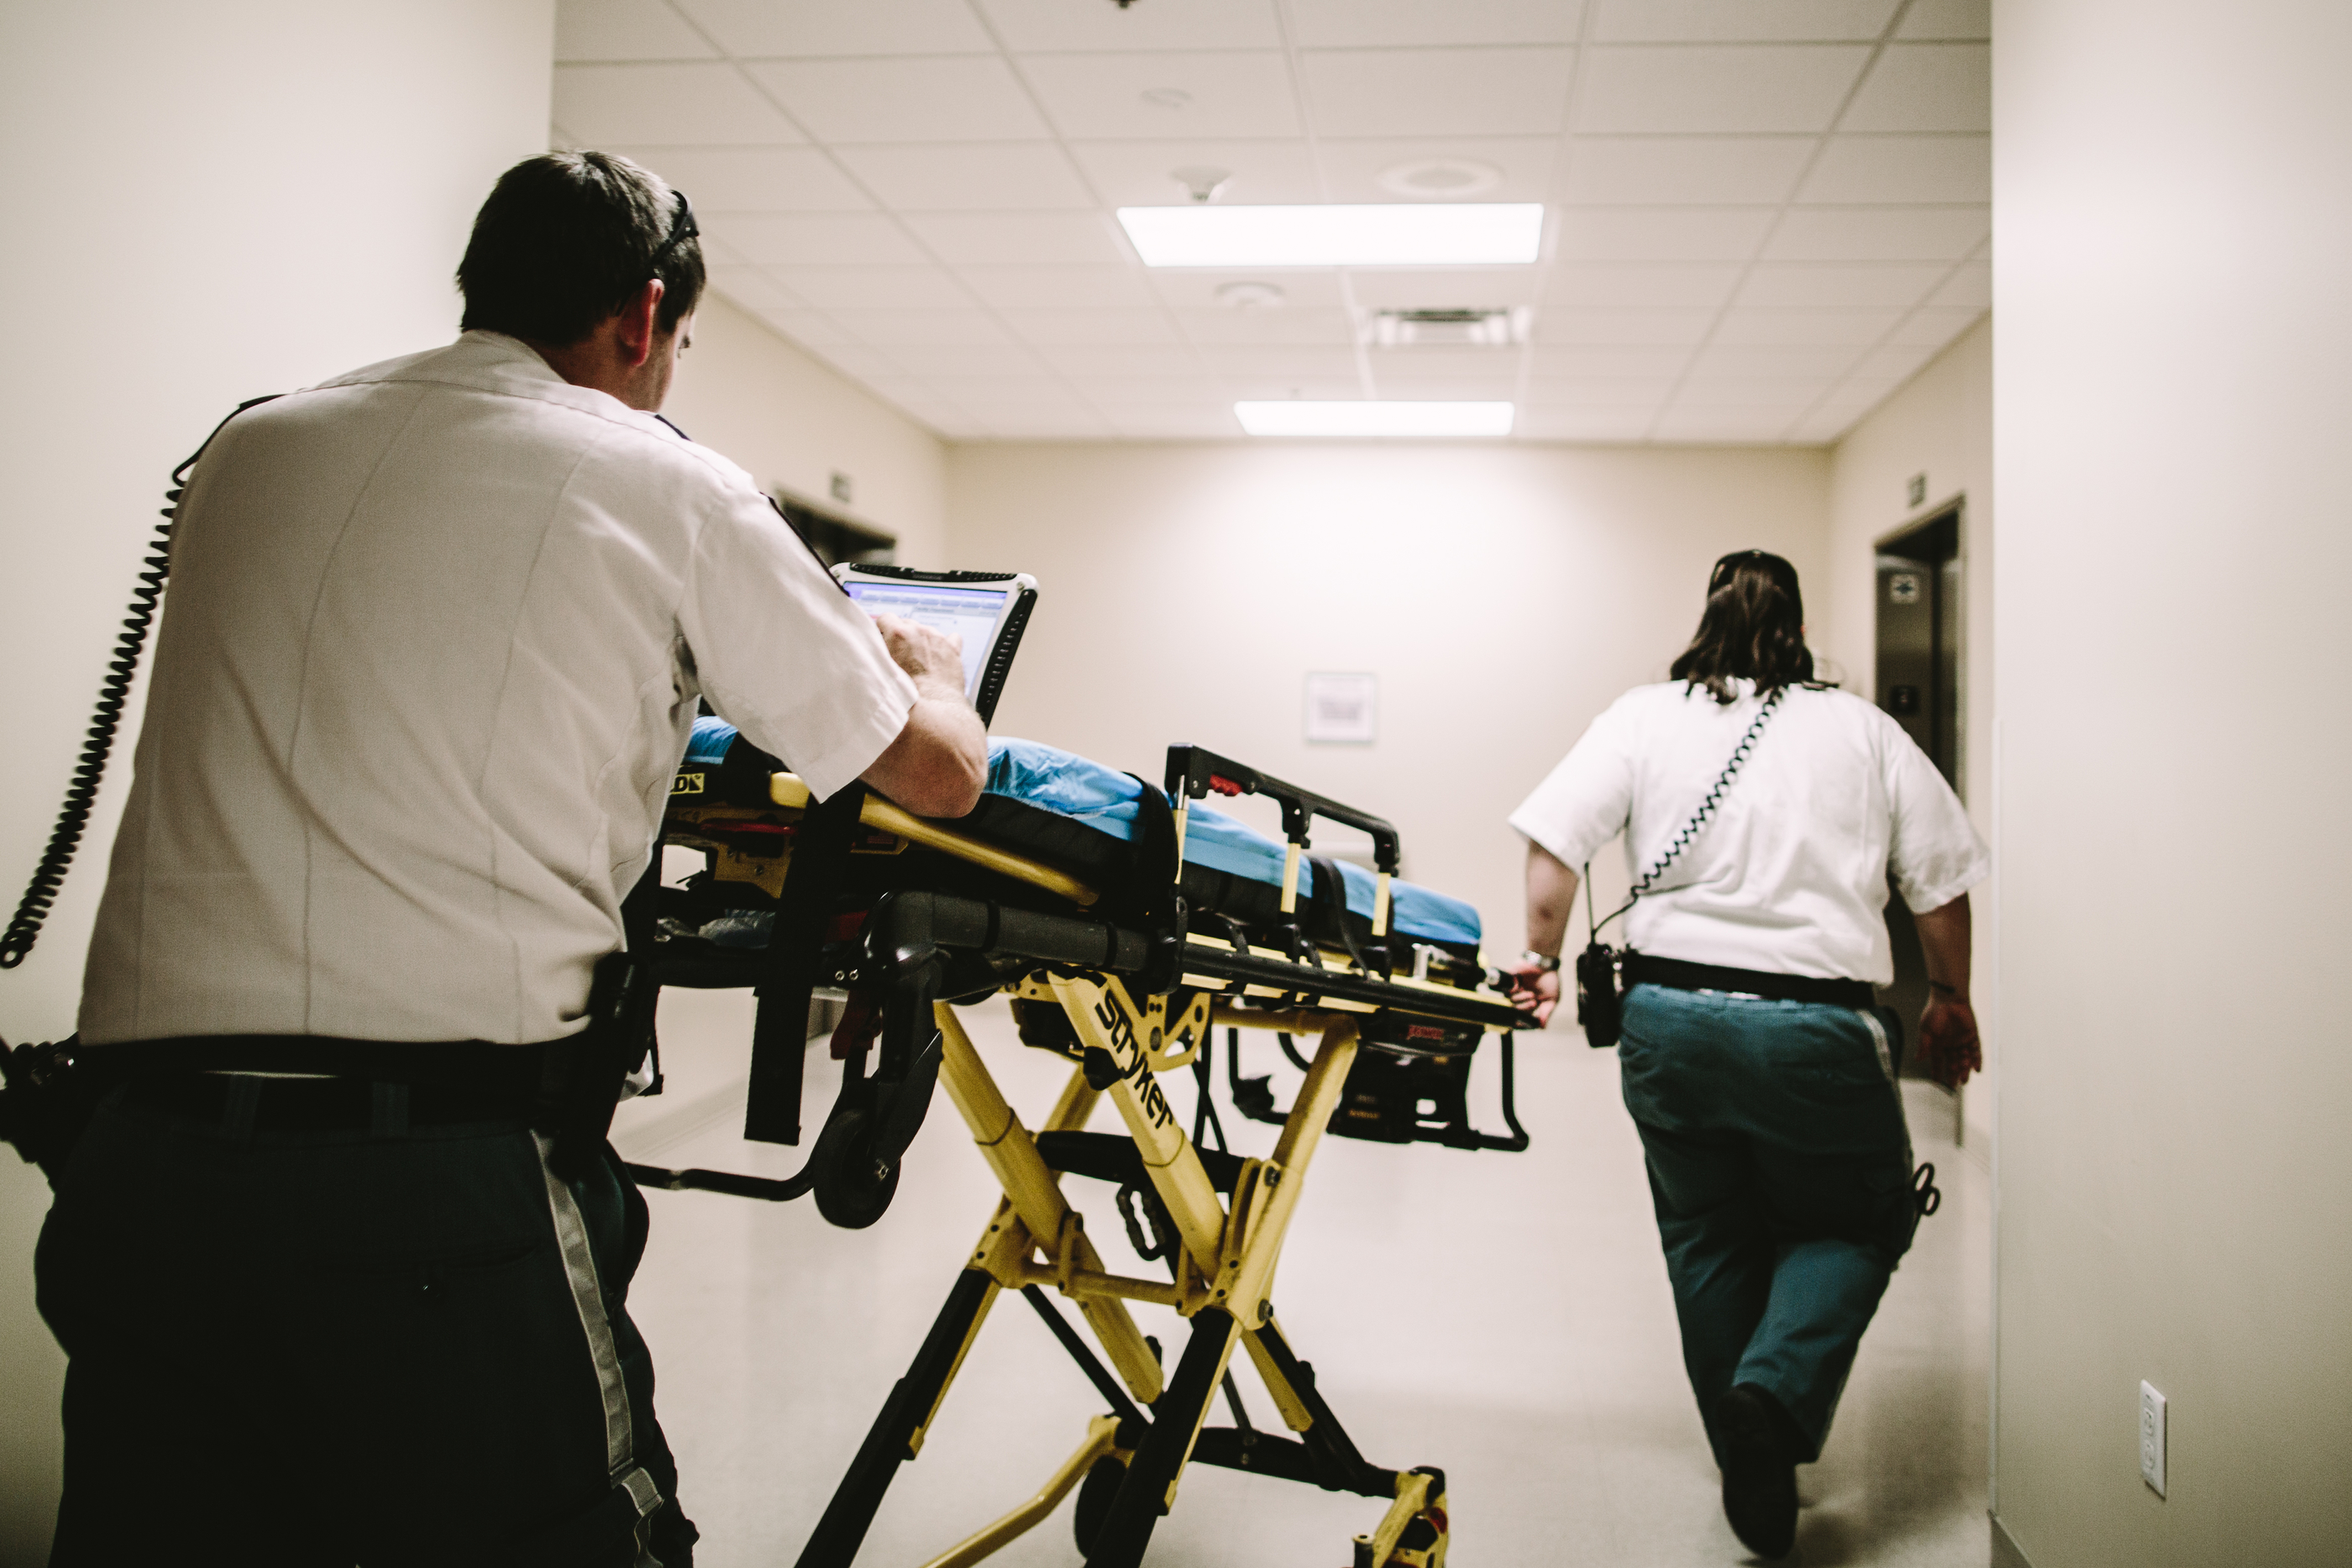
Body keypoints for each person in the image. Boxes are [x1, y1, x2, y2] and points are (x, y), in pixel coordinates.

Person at [34, 151, 985, 1566]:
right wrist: (936, 668)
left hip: (139, 1161)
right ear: (645, 314)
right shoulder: (668, 483)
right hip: (432, 1178)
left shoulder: (251, 445)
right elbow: (937, 775)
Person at [1504, 550, 1986, 1561]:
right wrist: (1948, 996)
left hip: (1668, 1022)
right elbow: (1938, 884)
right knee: (1857, 1220)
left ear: (1708, 615)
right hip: (1814, 1029)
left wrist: (1540, 958)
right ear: (1799, 625)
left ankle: (1745, 1445)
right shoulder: (1863, 729)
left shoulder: (1644, 715)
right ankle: (1769, 1402)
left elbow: (1555, 838)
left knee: (1705, 1227)